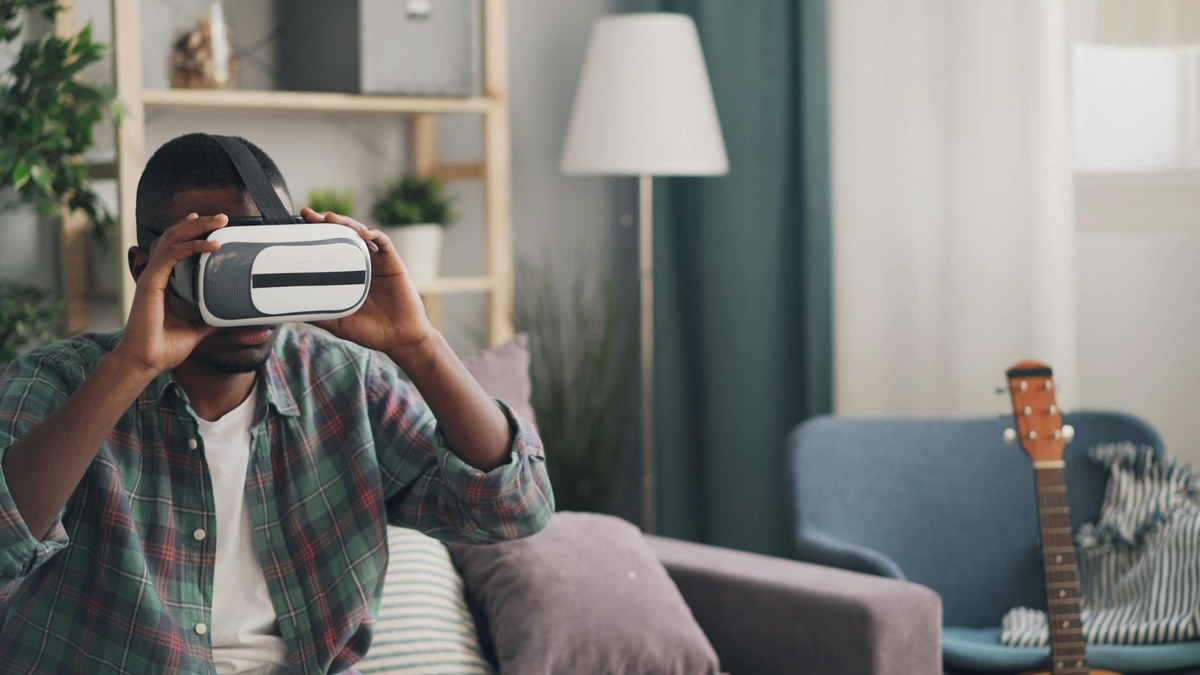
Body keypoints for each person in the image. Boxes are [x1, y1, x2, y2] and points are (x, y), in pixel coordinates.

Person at [0, 133, 553, 673]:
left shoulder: (343, 382)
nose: (248, 296)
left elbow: (516, 509)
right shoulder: (60, 382)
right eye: (218, 260)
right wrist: (132, 367)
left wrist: (417, 342)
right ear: (147, 266)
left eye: (266, 256)